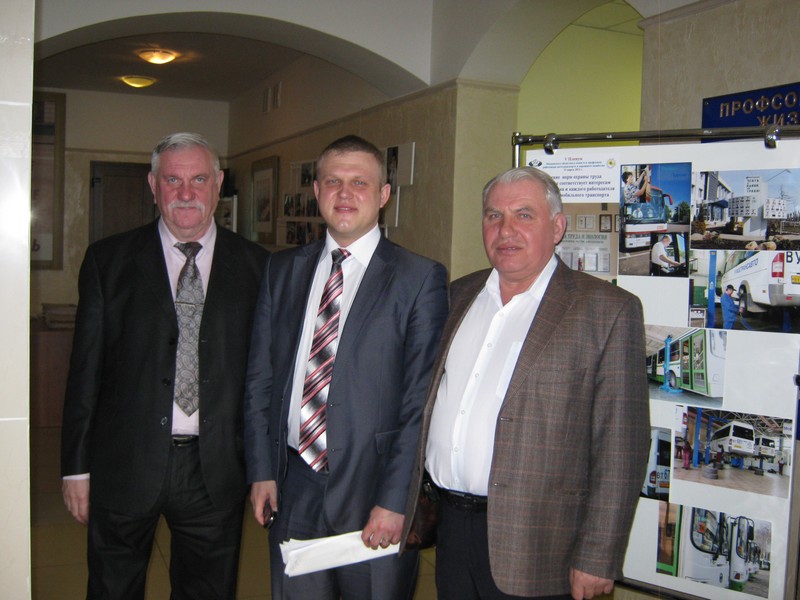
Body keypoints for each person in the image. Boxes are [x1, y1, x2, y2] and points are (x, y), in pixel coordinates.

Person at [401, 166, 650, 600]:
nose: (505, 230)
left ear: (557, 227)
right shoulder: (455, 296)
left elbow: (621, 447)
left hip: (541, 544)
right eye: (493, 215)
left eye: (524, 215)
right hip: (451, 530)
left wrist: (598, 555)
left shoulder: (607, 311)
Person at [61, 132, 268, 599]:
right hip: (125, 462)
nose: (186, 193)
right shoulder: (108, 261)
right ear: (153, 185)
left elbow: (264, 380)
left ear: (218, 183)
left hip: (215, 468)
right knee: (113, 588)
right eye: (173, 180)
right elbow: (85, 373)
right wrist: (75, 468)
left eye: (199, 179)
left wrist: (264, 468)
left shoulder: (258, 266)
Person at [244, 134, 449, 600]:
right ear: (316, 190)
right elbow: (260, 379)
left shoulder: (419, 278)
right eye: (333, 181)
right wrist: (262, 469)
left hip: (374, 491)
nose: (344, 193)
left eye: (360, 182)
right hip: (294, 485)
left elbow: (420, 402)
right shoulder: (282, 270)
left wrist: (395, 498)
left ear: (383, 195)